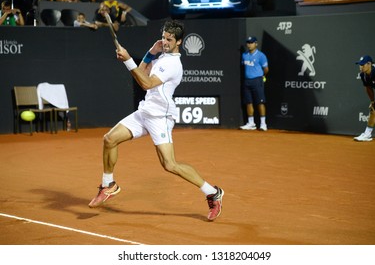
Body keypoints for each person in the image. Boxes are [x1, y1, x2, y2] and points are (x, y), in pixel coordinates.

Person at [88, 20, 224, 221]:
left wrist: (127, 60)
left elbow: (146, 83)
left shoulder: (172, 63)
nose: (165, 41)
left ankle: (212, 192)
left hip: (160, 117)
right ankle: (109, 185)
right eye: (163, 37)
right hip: (145, 112)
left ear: (179, 41)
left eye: (169, 39)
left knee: (170, 165)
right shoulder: (162, 56)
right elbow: (141, 73)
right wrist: (150, 53)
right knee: (109, 139)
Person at [354, 55, 375, 142]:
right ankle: (367, 134)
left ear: (369, 64)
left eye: (363, 65)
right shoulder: (363, 75)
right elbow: (369, 88)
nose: (361, 67)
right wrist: (373, 101)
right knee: (374, 109)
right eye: (360, 65)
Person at [240, 36, 269, 131]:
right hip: (247, 81)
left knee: (260, 102)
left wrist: (262, 76)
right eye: (248, 43)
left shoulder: (261, 56)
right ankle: (251, 123)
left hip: (257, 80)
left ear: (256, 44)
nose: (249, 44)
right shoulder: (244, 55)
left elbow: (266, 69)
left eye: (251, 42)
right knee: (249, 102)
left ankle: (263, 124)